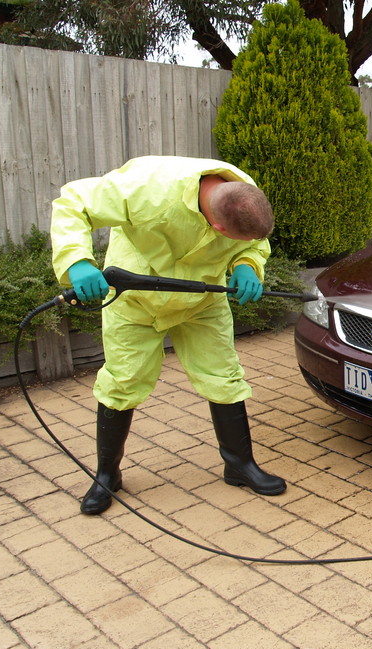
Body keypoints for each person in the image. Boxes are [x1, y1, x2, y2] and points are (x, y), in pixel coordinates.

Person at [50, 155, 287, 515]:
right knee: (122, 382)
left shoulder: (240, 193)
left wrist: (247, 264)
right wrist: (77, 261)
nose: (249, 242)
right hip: (136, 302)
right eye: (238, 242)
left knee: (224, 376)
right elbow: (75, 202)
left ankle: (239, 466)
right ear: (218, 229)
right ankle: (106, 475)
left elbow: (253, 242)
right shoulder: (146, 188)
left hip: (202, 301)